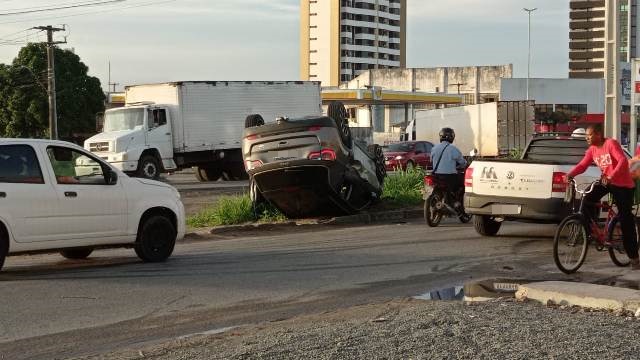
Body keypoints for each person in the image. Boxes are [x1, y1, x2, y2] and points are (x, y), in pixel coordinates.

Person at [566, 124, 639, 269]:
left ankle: (634, 257)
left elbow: (622, 161)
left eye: (589, 135)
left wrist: (611, 176)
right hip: (607, 182)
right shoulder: (592, 150)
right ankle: (592, 232)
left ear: (598, 134)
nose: (587, 138)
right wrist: (570, 174)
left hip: (623, 185)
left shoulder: (610, 143)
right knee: (586, 198)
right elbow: (583, 165)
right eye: (586, 136)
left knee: (625, 218)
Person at [430, 127, 467, 207]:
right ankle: (457, 202)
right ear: (451, 137)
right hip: (449, 177)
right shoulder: (453, 149)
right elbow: (462, 163)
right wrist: (463, 165)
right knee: (462, 183)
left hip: (436, 176)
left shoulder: (434, 148)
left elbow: (431, 160)